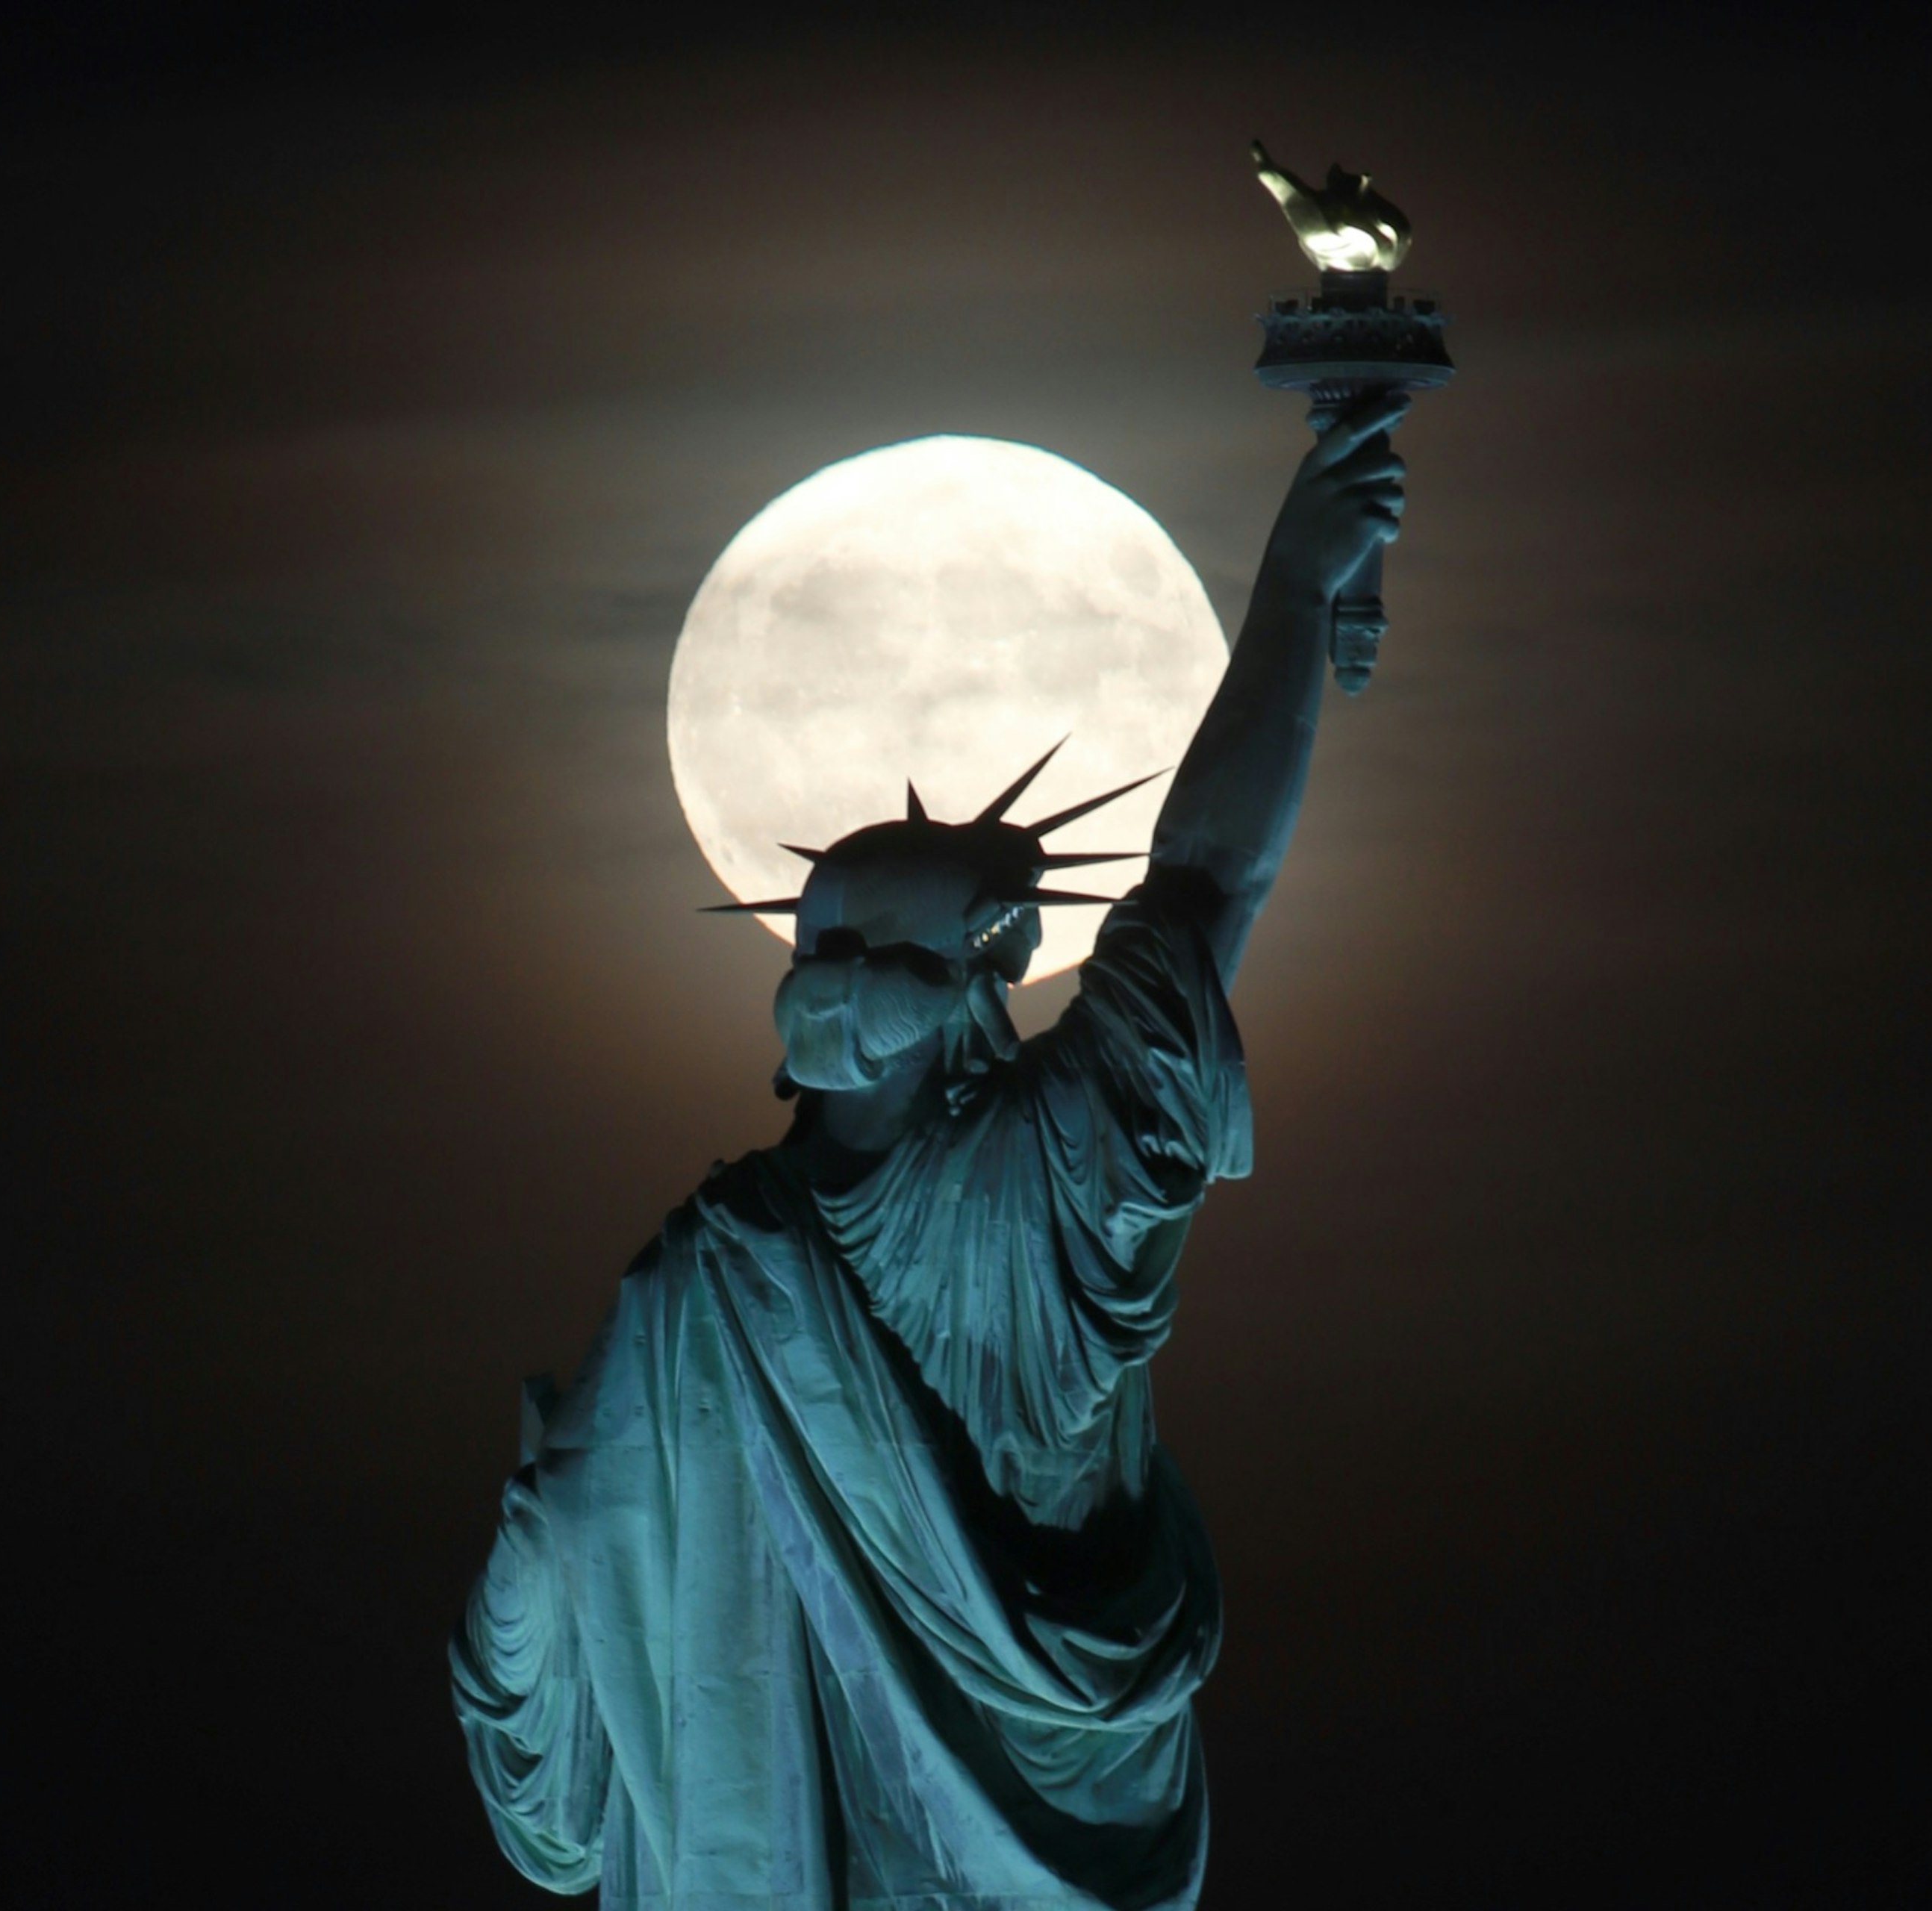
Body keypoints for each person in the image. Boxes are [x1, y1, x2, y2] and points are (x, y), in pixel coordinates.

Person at [452, 396, 1411, 1910]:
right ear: (984, 970)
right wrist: (1294, 584)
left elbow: (547, 1702)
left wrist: (545, 1540)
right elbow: (1210, 877)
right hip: (1072, 1815)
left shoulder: (706, 1272)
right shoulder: (1027, 1182)